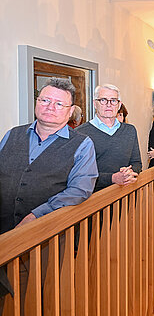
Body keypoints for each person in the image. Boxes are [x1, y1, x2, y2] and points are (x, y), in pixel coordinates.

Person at [0, 78, 98, 233]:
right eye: (45, 100)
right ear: (37, 102)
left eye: (59, 104)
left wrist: (36, 216)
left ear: (71, 111)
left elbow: (79, 190)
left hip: (47, 235)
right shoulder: (12, 134)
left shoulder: (82, 144)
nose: (50, 107)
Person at [76, 84, 141, 192]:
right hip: (95, 200)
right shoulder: (80, 133)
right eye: (103, 100)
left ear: (119, 105)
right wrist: (113, 178)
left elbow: (137, 163)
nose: (109, 105)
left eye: (113, 100)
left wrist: (129, 173)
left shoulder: (130, 130)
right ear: (95, 104)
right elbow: (79, 175)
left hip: (125, 195)